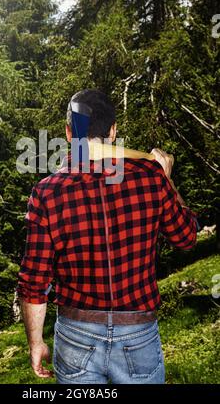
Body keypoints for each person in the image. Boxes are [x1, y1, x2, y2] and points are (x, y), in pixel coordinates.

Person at [17, 89, 198, 384]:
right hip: (138, 331)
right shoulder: (151, 177)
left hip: (77, 334)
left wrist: (35, 343)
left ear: (68, 132)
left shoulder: (47, 192)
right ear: (113, 131)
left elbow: (34, 280)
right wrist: (168, 181)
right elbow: (187, 237)